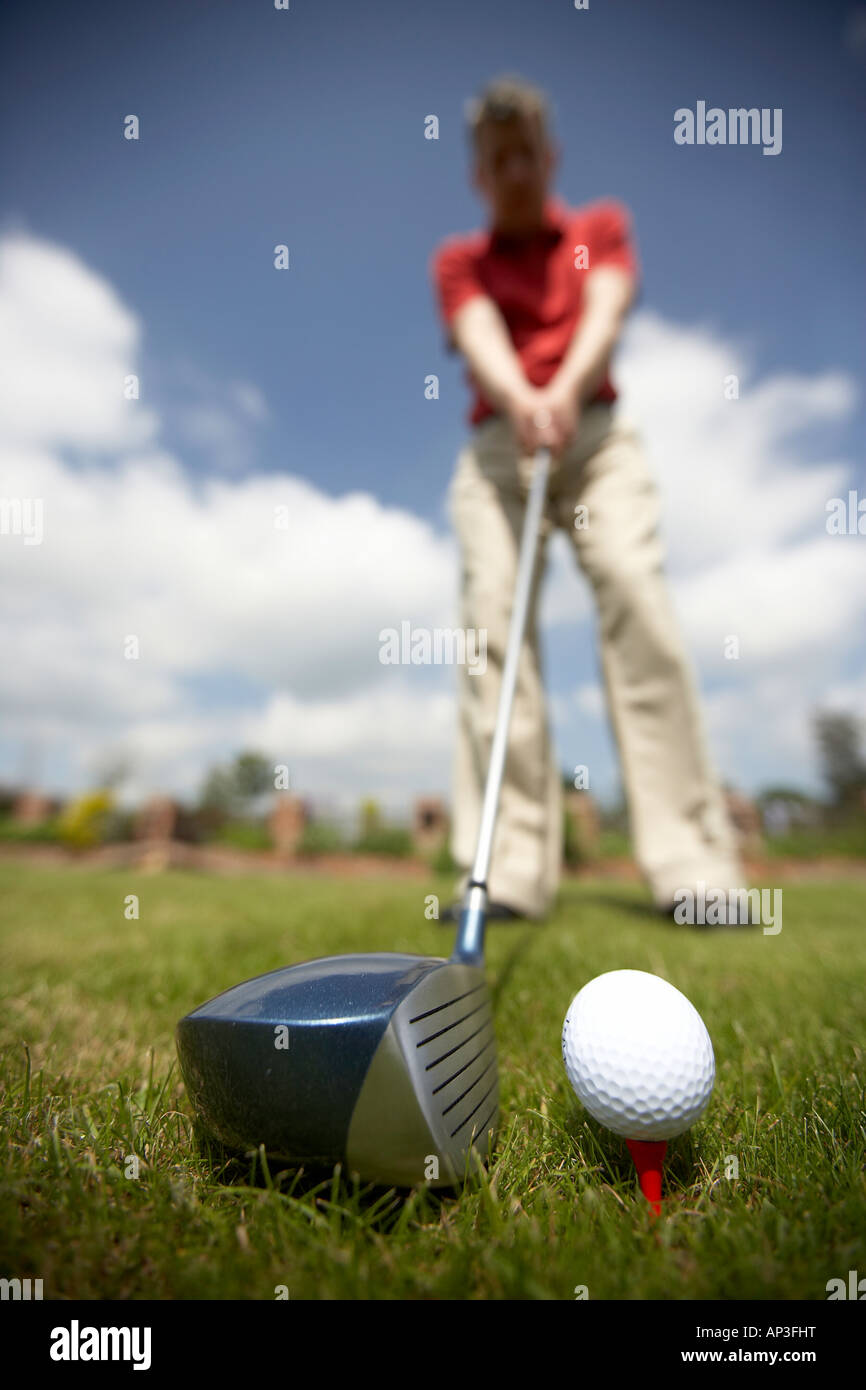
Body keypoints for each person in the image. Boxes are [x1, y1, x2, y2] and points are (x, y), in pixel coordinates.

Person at [429, 74, 743, 920]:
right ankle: (507, 873)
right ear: (479, 176)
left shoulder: (597, 228)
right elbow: (479, 335)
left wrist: (562, 391)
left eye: (527, 150)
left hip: (596, 433)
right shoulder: (462, 261)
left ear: (551, 154)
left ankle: (693, 866)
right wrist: (522, 398)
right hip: (500, 448)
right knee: (491, 625)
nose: (516, 167)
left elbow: (605, 309)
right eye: (499, 159)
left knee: (635, 593)